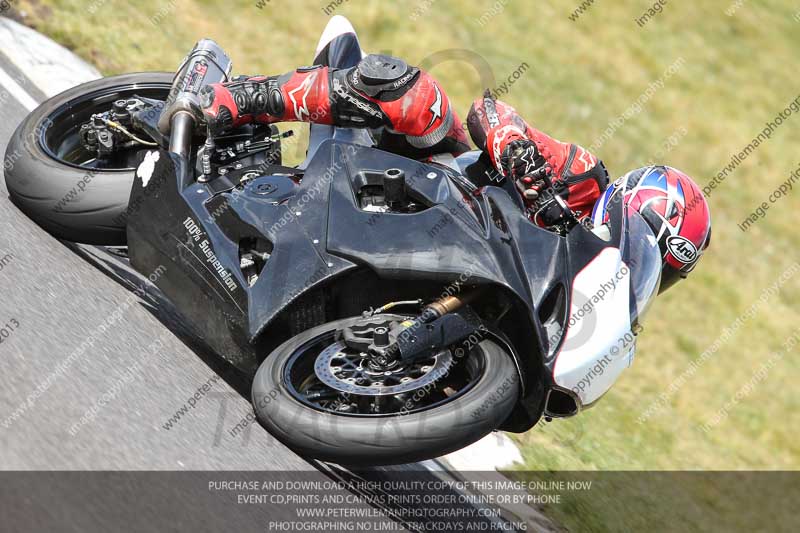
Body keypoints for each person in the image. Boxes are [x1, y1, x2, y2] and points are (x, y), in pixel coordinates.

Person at [197, 53, 609, 224]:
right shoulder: (583, 179)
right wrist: (520, 160)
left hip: (436, 266)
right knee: (422, 101)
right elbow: (489, 113)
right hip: (429, 178)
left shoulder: (590, 307)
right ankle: (241, 96)